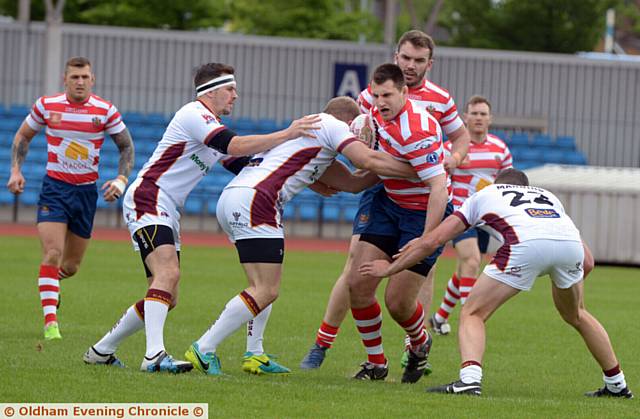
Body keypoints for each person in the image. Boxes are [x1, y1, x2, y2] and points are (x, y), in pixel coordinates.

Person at [82, 62, 321, 373]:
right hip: (150, 196)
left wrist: (309, 173)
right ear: (211, 91)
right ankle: (154, 356)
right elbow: (233, 145)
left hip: (166, 206)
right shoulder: (195, 115)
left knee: (169, 293)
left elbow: (242, 162)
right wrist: (288, 133)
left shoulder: (210, 124)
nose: (236, 95)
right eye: (230, 89)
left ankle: (102, 350)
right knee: (167, 274)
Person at [185, 96, 418, 377]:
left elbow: (355, 184)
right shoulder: (330, 124)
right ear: (347, 122)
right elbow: (365, 159)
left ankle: (255, 354)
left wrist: (387, 174)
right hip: (258, 202)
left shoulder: (309, 138)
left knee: (258, 286)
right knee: (266, 290)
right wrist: (418, 168)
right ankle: (204, 347)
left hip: (234, 197)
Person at [360, 168, 633, 398]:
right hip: (570, 248)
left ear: (497, 184)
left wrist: (390, 268)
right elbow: (588, 261)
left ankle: (469, 379)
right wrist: (564, 277)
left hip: (524, 246)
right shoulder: (548, 197)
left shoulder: (486, 194)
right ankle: (617, 384)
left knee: (473, 312)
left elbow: (433, 240)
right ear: (528, 187)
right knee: (577, 314)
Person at [300, 29, 470, 371]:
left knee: (399, 296)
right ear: (395, 57)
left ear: (428, 65)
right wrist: (314, 175)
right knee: (357, 274)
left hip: (424, 201)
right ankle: (350, 353)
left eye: (418, 60)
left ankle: (416, 345)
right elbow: (354, 140)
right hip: (385, 193)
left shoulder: (432, 110)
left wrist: (449, 161)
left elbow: (451, 154)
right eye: (405, 58)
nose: (410, 65)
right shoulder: (371, 100)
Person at [336, 63, 450, 384]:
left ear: (404, 92)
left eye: (387, 95)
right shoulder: (371, 110)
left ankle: (419, 341)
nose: (380, 101)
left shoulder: (418, 130)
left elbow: (439, 188)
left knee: (398, 303)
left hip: (422, 212)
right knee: (357, 284)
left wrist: (427, 239)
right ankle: (376, 364)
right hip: (389, 203)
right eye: (376, 95)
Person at [6, 56, 134, 341]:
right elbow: (23, 137)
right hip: (54, 189)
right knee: (52, 253)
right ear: (65, 79)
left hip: (86, 193)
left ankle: (49, 281)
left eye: (85, 77)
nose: (80, 82)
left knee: (71, 266)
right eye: (74, 77)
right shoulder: (46, 105)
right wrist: (16, 170)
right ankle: (51, 322)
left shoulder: (105, 111)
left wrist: (121, 179)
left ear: (93, 79)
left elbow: (126, 147)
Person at [429, 95, 512, 335]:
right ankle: (469, 316)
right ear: (465, 117)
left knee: (466, 267)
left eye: (483, 114)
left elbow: (507, 185)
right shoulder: (452, 148)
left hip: (487, 217)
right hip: (460, 214)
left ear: (490, 118)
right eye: (474, 113)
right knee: (473, 260)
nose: (478, 118)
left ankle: (439, 317)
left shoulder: (500, 149)